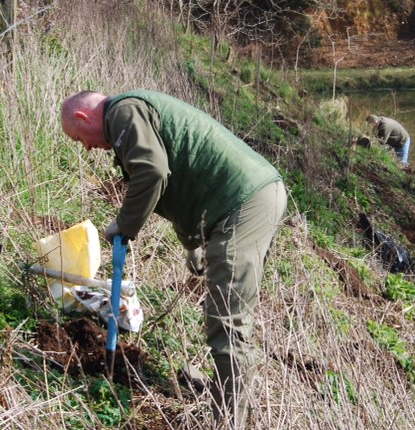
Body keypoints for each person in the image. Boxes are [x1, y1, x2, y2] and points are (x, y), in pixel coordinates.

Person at [61, 89, 287, 427]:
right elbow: (179, 181)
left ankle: (229, 420)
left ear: (83, 117)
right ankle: (225, 391)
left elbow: (152, 172)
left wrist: (124, 224)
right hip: (245, 198)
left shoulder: (122, 113)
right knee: (228, 312)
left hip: (243, 203)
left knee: (228, 319)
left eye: (80, 139)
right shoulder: (129, 117)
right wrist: (192, 243)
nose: (87, 148)